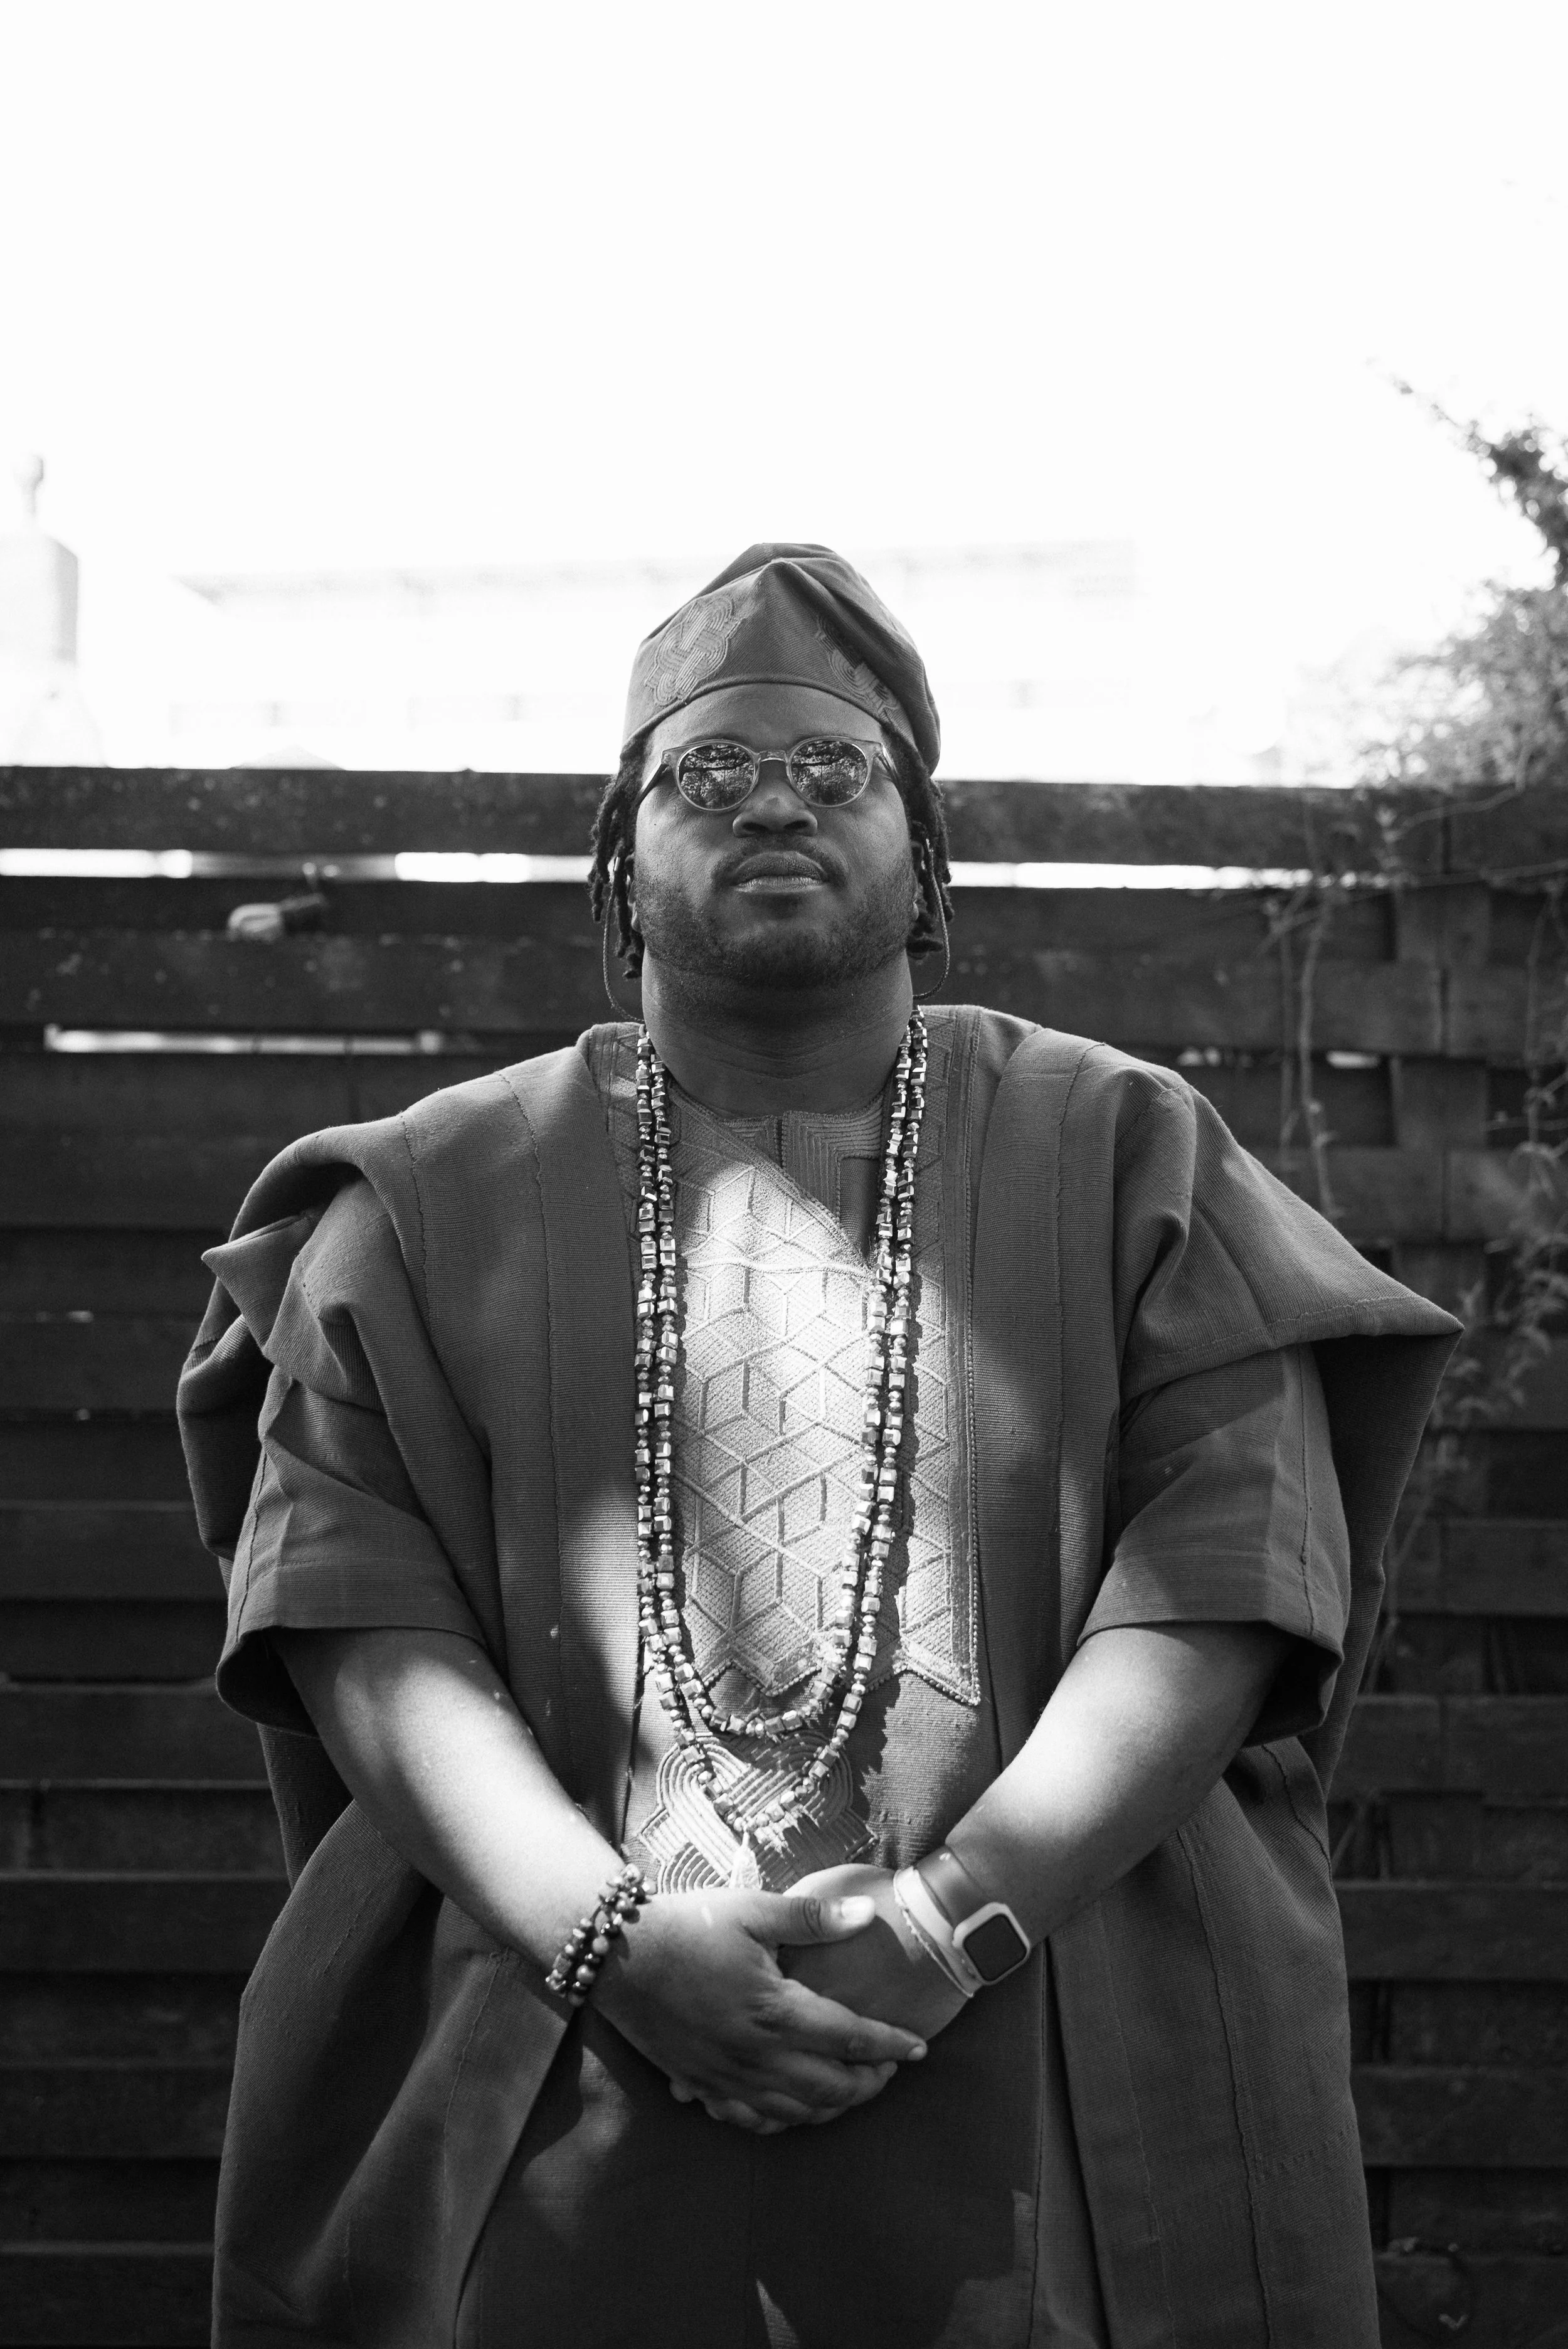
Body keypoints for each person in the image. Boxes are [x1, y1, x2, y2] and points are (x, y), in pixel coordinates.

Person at [179, 544, 1457, 2349]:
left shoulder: (1129, 1154)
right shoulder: (417, 1201)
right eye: (709, 773)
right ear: (621, 865)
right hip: (554, 2047)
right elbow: (352, 1621)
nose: (771, 802)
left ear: (923, 863)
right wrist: (612, 1946)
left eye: (830, 770)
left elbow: (1227, 1580)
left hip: (1050, 2035)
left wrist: (948, 1930)